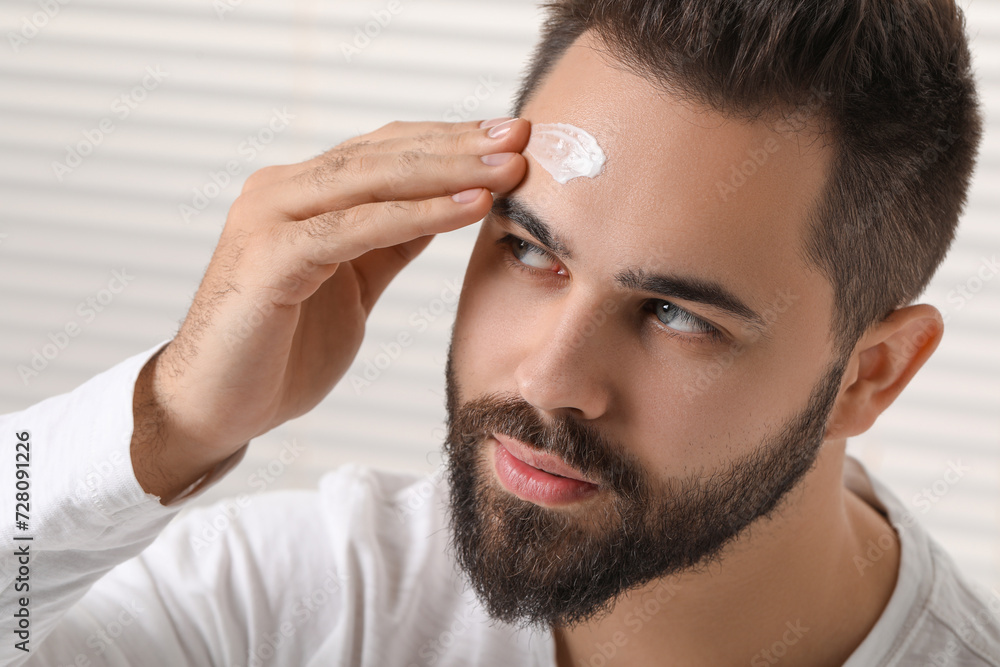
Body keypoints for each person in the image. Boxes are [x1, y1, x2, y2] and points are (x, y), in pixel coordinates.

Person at [2, 0, 998, 665]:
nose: (549, 377)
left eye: (676, 313)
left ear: (870, 375)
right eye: (530, 252)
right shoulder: (288, 607)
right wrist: (170, 421)